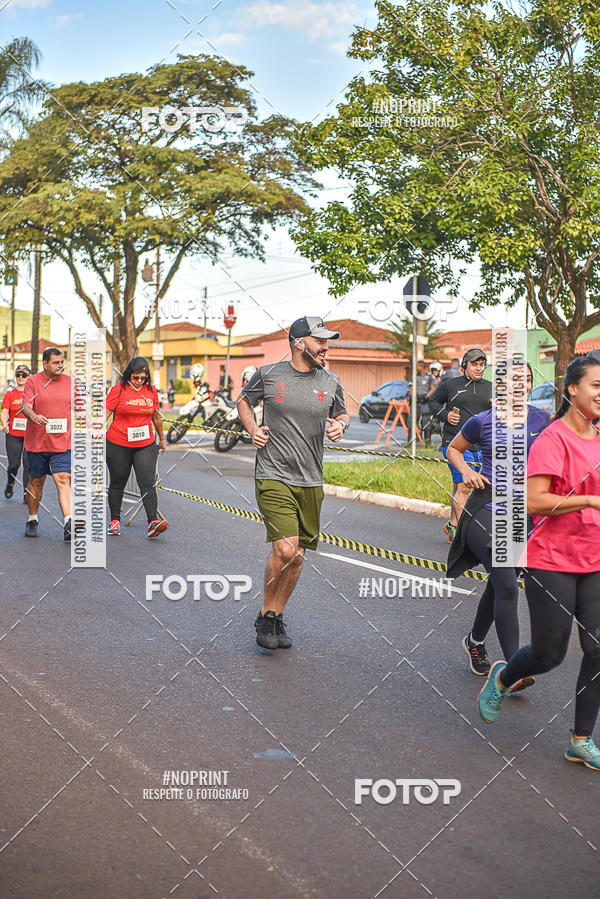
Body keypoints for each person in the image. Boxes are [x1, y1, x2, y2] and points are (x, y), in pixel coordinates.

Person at [477, 356, 600, 770]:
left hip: (595, 558)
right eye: (596, 385)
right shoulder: (553, 438)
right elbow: (533, 501)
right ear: (572, 390)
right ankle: (503, 677)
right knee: (550, 655)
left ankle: (581, 740)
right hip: (552, 561)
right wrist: (587, 499)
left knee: (598, 648)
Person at [237, 316, 349, 651]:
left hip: (311, 479)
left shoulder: (331, 380)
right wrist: (252, 429)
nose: (325, 347)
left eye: (327, 342)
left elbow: (342, 413)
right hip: (273, 474)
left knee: (297, 557)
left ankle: (276, 614)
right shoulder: (269, 374)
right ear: (299, 342)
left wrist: (341, 426)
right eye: (320, 341)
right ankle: (264, 615)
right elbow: (243, 400)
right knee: (285, 549)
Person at [446, 361, 550, 680]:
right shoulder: (482, 421)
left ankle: (474, 641)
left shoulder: (542, 420)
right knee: (506, 584)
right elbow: (453, 449)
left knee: (499, 582)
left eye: (528, 380)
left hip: (523, 513)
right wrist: (466, 472)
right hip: (485, 508)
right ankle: (514, 670)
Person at [428, 348, 492, 543]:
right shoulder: (450, 385)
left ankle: (451, 525)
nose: (479, 368)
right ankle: (460, 531)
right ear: (465, 365)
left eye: (482, 365)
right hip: (454, 444)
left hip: (479, 446)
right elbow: (432, 401)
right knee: (465, 486)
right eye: (475, 364)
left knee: (459, 486)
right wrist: (445, 415)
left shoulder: (490, 388)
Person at [105, 357, 168, 538]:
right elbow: (107, 412)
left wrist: (162, 439)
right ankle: (114, 521)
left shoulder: (151, 392)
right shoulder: (118, 390)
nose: (140, 381)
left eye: (143, 378)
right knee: (118, 481)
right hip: (118, 443)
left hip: (145, 443)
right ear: (128, 376)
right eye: (136, 377)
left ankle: (152, 522)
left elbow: (156, 417)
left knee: (147, 480)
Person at [21, 348, 73, 540]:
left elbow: (80, 406)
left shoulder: (70, 382)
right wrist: (34, 416)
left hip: (62, 442)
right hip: (37, 443)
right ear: (45, 364)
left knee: (63, 478)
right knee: (36, 482)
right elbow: (25, 406)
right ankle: (32, 519)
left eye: (62, 362)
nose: (60, 365)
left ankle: (69, 521)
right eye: (56, 362)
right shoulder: (33, 382)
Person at [1, 364, 31, 502]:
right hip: (13, 435)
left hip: (30, 436)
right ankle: (10, 484)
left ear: (28, 377)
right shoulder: (10, 394)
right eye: (18, 375)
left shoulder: (32, 395)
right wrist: (4, 423)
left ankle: (26, 494)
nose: (20, 377)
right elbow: (5, 412)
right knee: (14, 464)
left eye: (23, 375)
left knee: (28, 464)